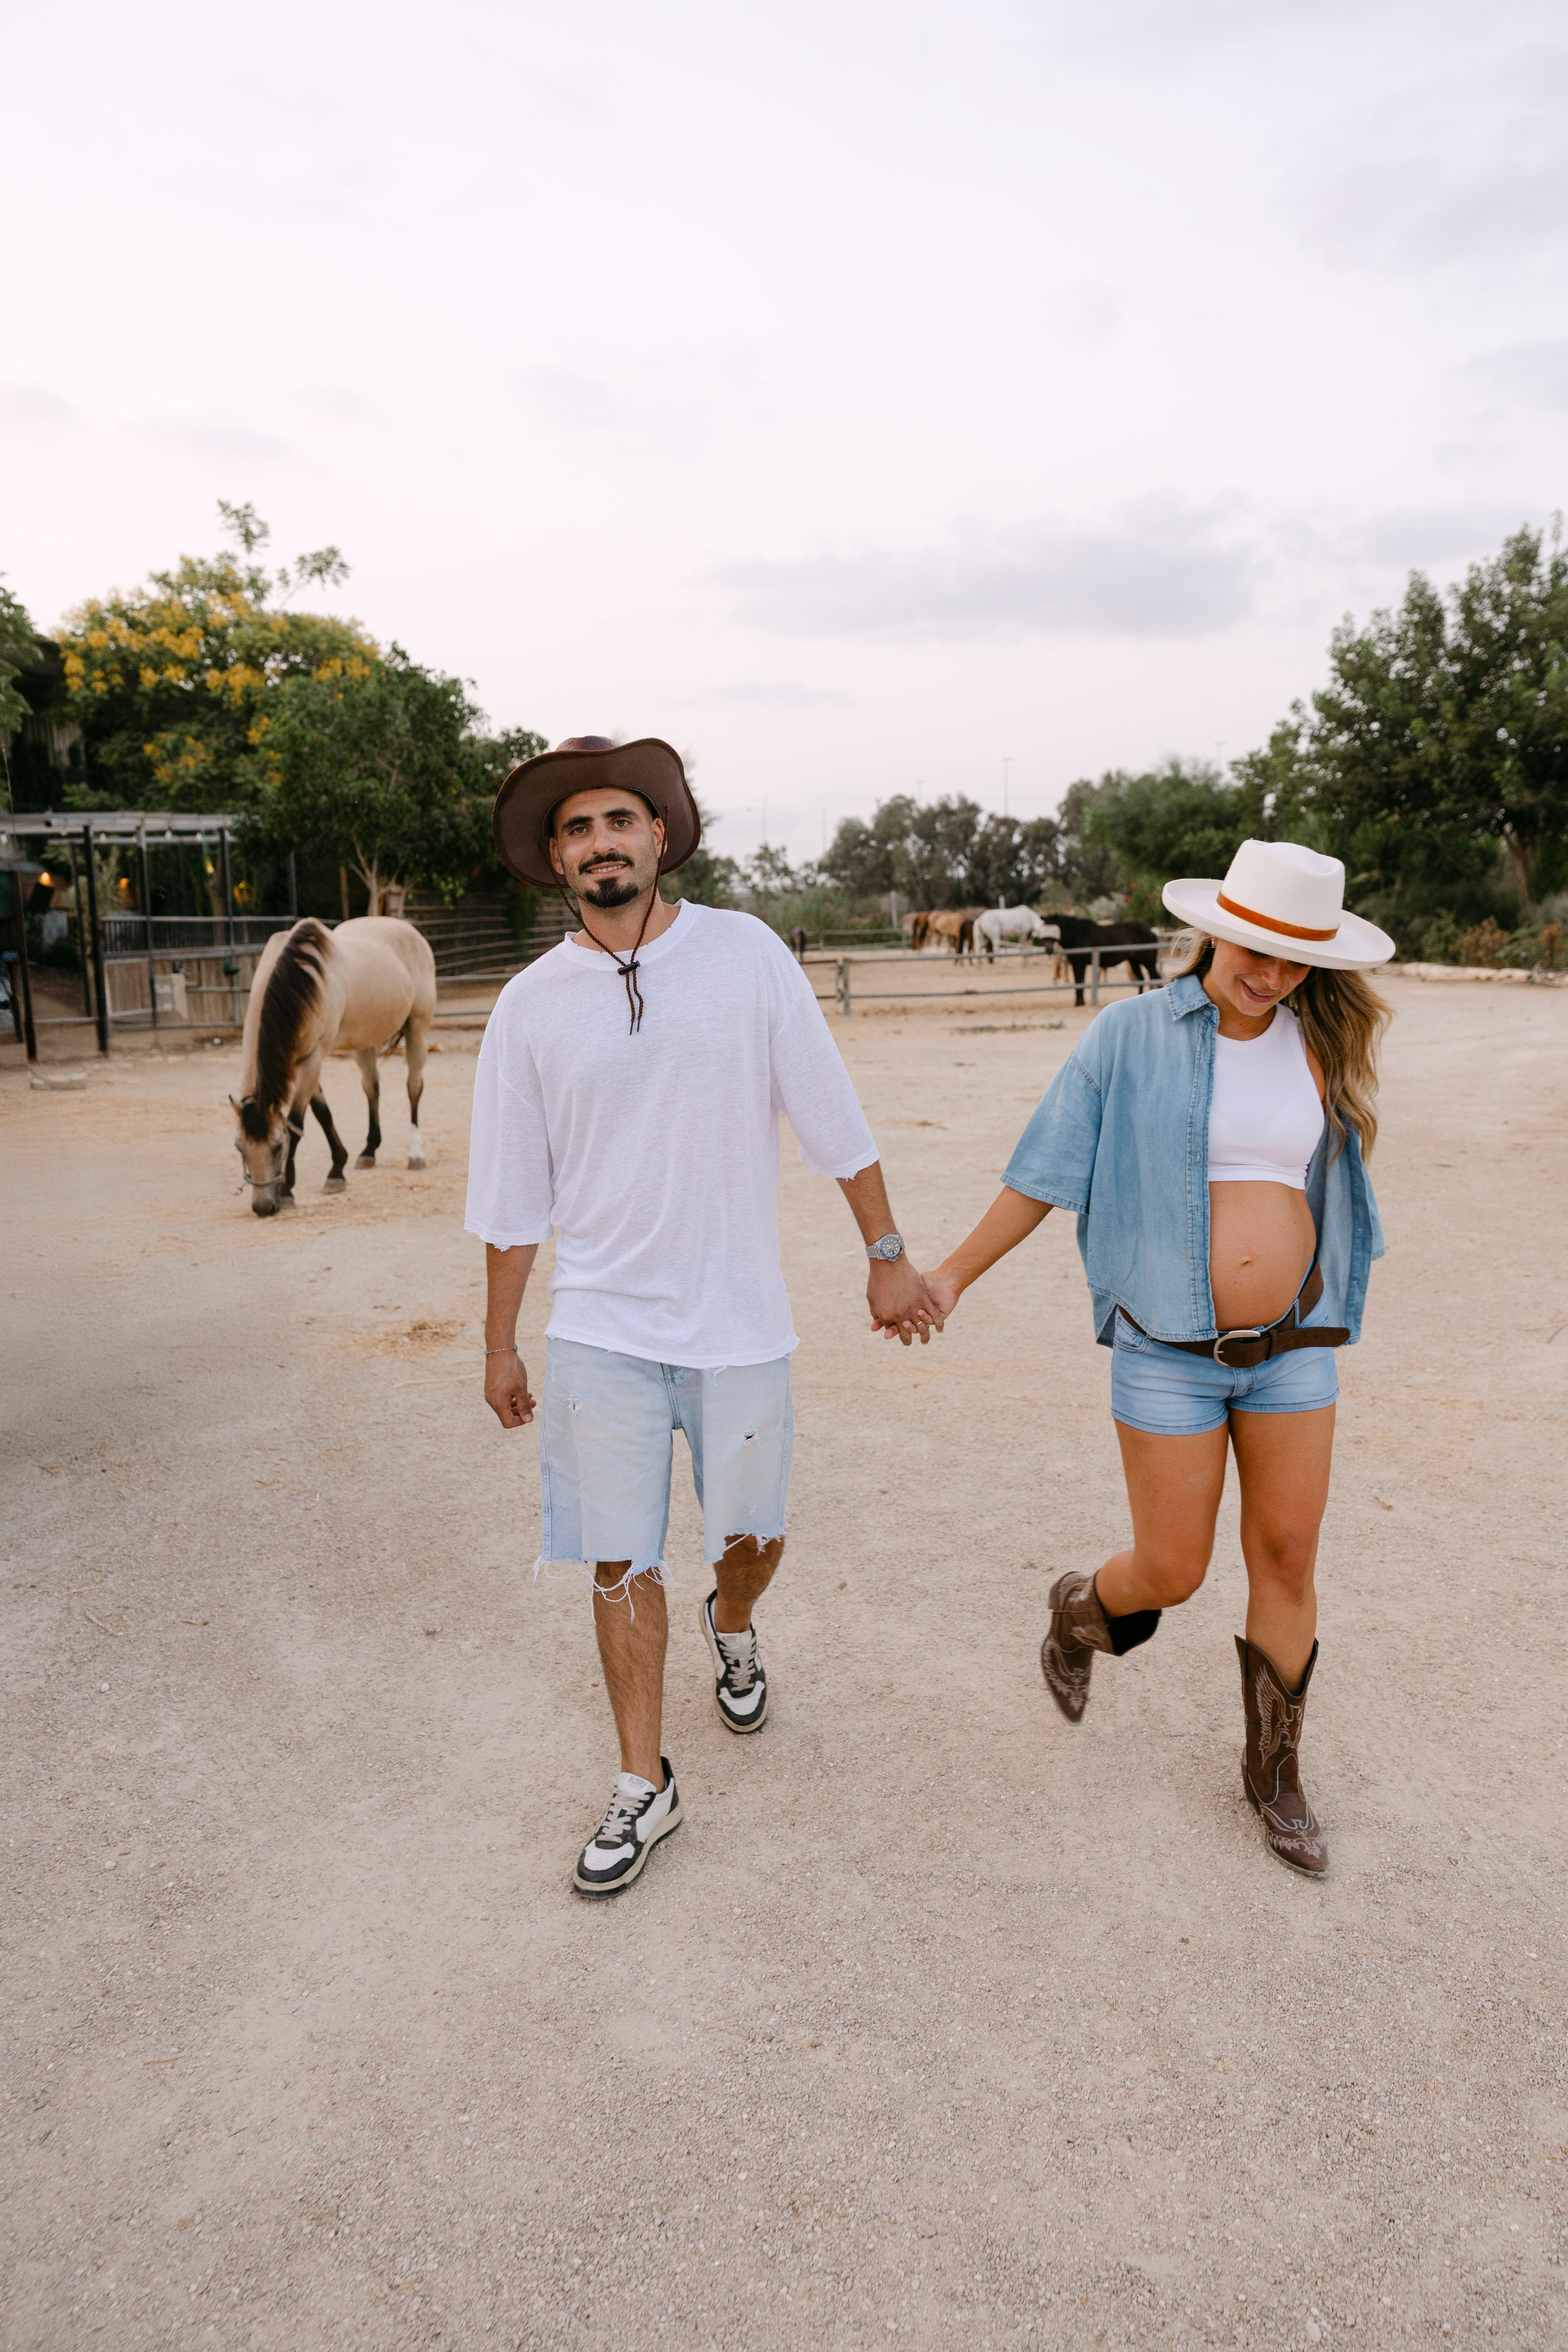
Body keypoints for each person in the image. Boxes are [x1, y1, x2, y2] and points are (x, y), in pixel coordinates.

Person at [466, 736, 942, 1897]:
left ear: (660, 836)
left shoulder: (745, 954)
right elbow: (512, 1196)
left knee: (754, 1534)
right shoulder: (528, 1009)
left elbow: (830, 1111)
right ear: (558, 863)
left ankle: (737, 1617)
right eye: (575, 830)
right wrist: (498, 1341)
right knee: (618, 1555)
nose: (599, 844)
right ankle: (644, 1781)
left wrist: (886, 1256)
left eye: (617, 821)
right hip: (600, 1328)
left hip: (736, 1321)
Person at [925, 840, 1393, 1874]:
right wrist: (953, 1276)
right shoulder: (1130, 1033)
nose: (1267, 976)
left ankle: (1275, 1774)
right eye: (1252, 950)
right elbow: (1045, 1171)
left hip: (1294, 1349)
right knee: (1173, 1570)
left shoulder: (1322, 1043)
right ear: (1213, 930)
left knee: (1285, 1559)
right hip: (1167, 1351)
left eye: (1294, 958)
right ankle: (1080, 1611)